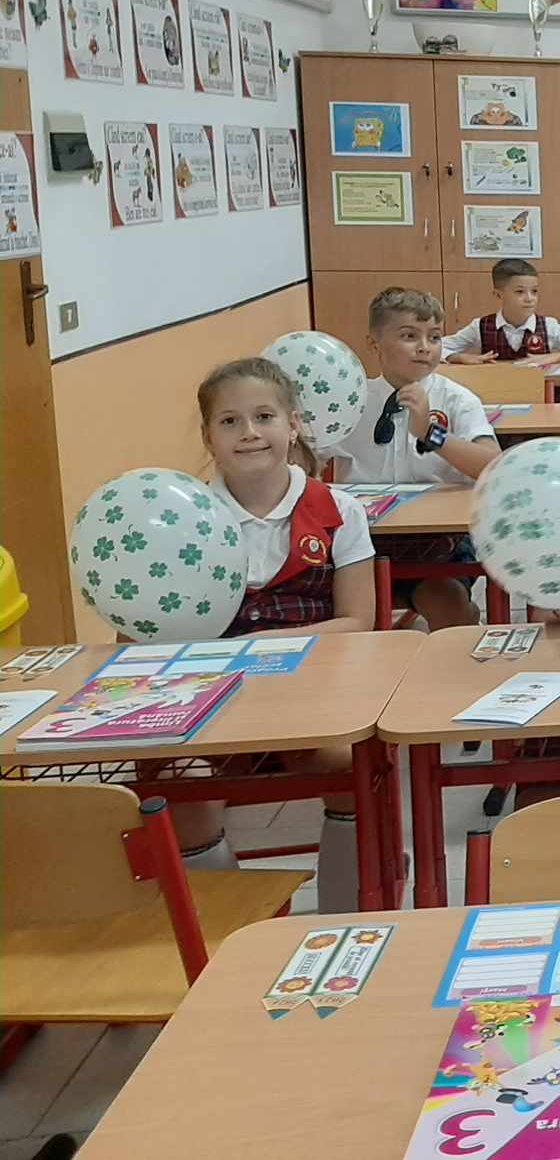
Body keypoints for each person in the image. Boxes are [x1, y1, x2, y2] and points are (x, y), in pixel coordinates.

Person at [182, 357, 377, 906]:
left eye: (264, 417)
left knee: (349, 764)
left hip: (314, 695)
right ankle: (231, 921)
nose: (248, 432)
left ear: (293, 426)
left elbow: (358, 622)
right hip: (214, 701)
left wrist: (275, 644)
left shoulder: (339, 510)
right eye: (229, 422)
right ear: (209, 438)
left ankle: (342, 910)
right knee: (180, 781)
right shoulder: (185, 519)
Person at [328, 287, 499, 631]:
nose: (425, 347)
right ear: (374, 344)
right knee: (345, 614)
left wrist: (431, 435)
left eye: (434, 337)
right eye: (409, 336)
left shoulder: (456, 399)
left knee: (448, 609)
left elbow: (494, 466)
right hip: (362, 542)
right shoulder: (348, 401)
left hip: (438, 542)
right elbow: (305, 460)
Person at [443, 258, 560, 366]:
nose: (529, 298)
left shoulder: (548, 326)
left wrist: (554, 357)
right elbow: (437, 347)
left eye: (534, 291)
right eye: (520, 292)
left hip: (540, 395)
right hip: (495, 395)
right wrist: (459, 357)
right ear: (499, 295)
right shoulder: (480, 326)